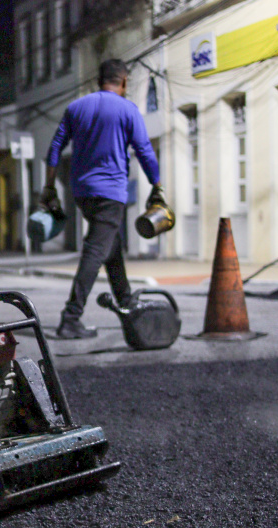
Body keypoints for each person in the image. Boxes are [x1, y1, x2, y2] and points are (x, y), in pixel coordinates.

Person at [43, 59, 167, 339]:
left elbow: (54, 149)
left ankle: (126, 303)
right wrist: (156, 184)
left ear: (98, 81)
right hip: (110, 193)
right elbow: (145, 151)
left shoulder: (76, 108)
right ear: (123, 81)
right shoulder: (128, 109)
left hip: (82, 193)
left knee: (111, 246)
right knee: (96, 250)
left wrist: (49, 188)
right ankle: (70, 318)